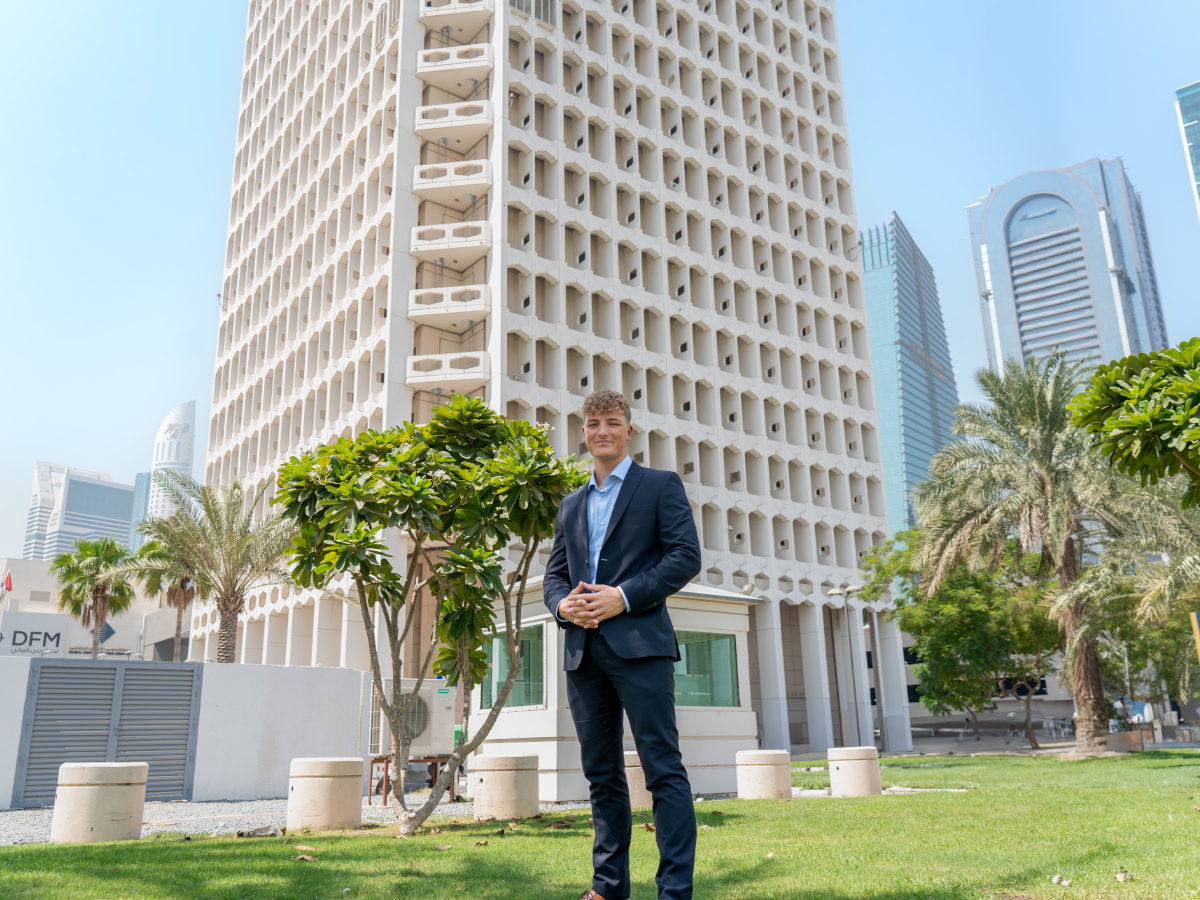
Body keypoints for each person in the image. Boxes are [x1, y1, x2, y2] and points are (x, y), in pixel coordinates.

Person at [543, 390, 703, 900]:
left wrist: (623, 597)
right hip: (582, 652)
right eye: (593, 423)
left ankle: (674, 891)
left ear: (627, 430)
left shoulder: (659, 486)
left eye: (612, 422)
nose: (602, 431)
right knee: (601, 776)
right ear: (584, 432)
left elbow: (684, 557)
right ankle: (608, 888)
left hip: (641, 647)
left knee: (663, 770)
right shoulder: (571, 503)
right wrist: (560, 606)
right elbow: (555, 575)